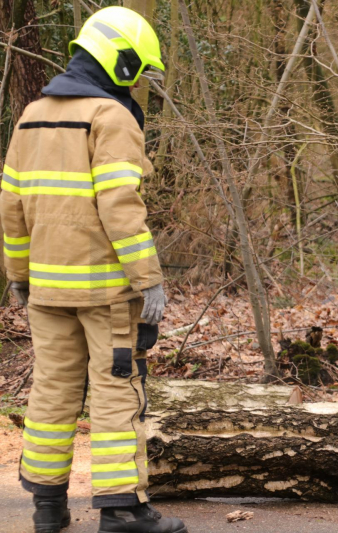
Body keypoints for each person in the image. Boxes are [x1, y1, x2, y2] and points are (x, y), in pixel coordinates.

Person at [0, 7, 186, 533]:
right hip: (106, 291)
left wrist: (18, 273)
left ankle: (47, 508)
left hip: (46, 290)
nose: (139, 82)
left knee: (51, 392)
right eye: (138, 70)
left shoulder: (31, 116)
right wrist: (148, 277)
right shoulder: (112, 118)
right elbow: (120, 204)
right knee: (115, 393)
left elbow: (10, 204)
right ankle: (121, 511)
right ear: (121, 61)